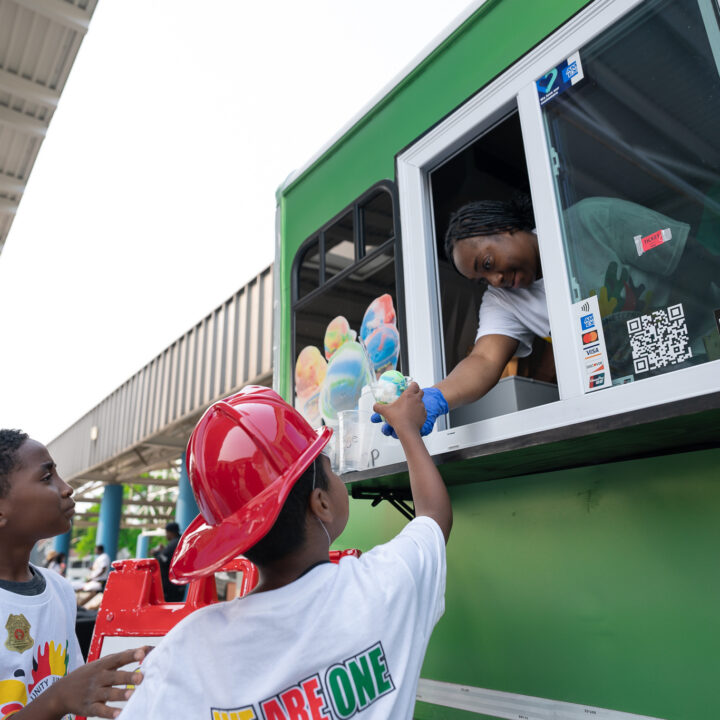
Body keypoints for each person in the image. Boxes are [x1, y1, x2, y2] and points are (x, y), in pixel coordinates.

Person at [119, 383, 451, 720]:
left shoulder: (186, 652)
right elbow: (434, 517)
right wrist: (408, 429)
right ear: (320, 503)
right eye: (330, 468)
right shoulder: (383, 587)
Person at [374, 194, 719, 437]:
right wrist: (434, 397)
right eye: (482, 278)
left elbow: (692, 259)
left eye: (489, 263)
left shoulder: (591, 221)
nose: (494, 280)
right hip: (643, 401)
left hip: (706, 361)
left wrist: (652, 339)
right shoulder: (502, 300)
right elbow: (483, 360)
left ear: (507, 227)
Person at [0, 429, 150, 719]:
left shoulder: (59, 589)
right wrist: (58, 699)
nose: (67, 488)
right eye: (47, 478)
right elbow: (64, 695)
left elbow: (74, 696)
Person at [151, 522, 184, 602]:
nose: (166, 535)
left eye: (166, 533)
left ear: (171, 532)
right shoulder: (180, 541)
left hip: (171, 586)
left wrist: (156, 553)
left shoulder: (174, 543)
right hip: (178, 584)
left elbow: (164, 560)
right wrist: (163, 551)